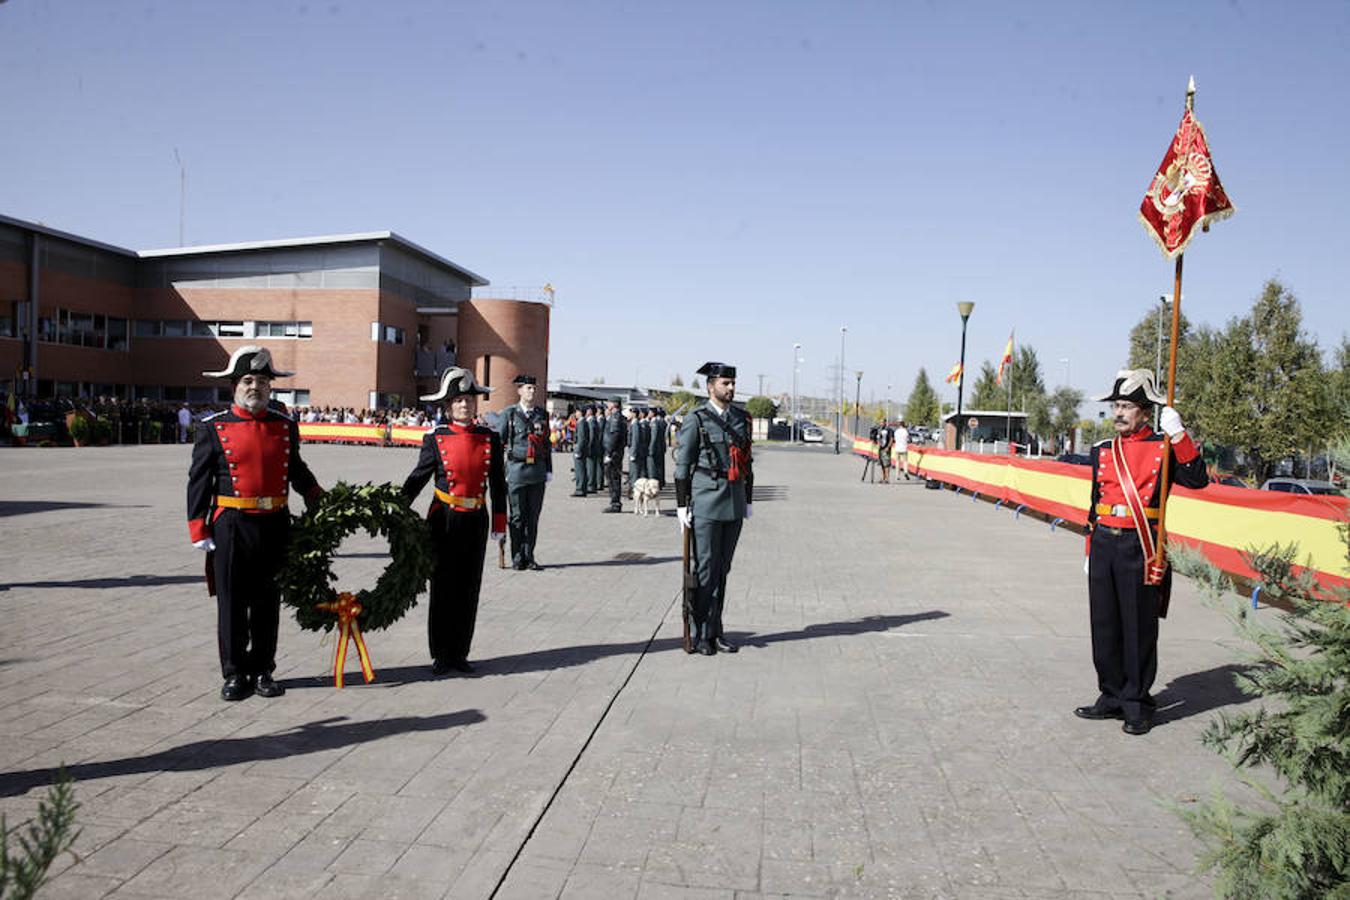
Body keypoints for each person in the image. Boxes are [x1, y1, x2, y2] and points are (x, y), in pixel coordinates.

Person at [1075, 369, 1208, 735]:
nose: (1118, 412)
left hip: (1141, 545)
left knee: (1137, 626)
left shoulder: (1163, 449)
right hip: (1104, 541)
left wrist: (1179, 433)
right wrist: (1090, 546)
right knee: (1104, 624)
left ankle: (1137, 702)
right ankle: (1111, 695)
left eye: (1127, 406)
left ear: (1145, 412)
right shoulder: (1103, 449)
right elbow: (1094, 503)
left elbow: (1198, 479)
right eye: (1116, 405)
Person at [187, 346, 324, 701]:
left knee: (267, 602)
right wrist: (198, 528)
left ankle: (263, 669)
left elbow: (296, 469)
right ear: (234, 385)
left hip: (276, 523)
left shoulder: (284, 426)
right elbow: (198, 482)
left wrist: (318, 497)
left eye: (262, 381)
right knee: (232, 603)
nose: (255, 387)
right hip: (231, 524)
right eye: (248, 380)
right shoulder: (213, 428)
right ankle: (234, 673)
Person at [401, 367, 507, 675]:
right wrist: (395, 508)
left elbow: (498, 484)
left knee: (468, 588)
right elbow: (418, 478)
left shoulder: (490, 438)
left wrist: (500, 523)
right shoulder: (435, 438)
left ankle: (460, 652)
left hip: (476, 519)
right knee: (443, 588)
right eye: (458, 400)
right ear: (448, 406)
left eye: (469, 400)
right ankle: (441, 653)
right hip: (444, 519)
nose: (464, 405)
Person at [675, 362, 754, 656]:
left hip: (733, 502)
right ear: (711, 387)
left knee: (723, 569)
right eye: (725, 384)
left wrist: (747, 500)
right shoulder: (696, 419)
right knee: (705, 570)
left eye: (733, 383)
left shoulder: (741, 418)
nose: (731, 388)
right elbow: (683, 465)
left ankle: (716, 630)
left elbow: (747, 461)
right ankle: (700, 633)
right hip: (706, 501)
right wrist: (682, 505)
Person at [499, 374, 552, 570]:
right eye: (528, 388)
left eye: (533, 388)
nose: (532, 391)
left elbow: (546, 444)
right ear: (519, 390)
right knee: (517, 516)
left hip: (537, 472)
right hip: (516, 471)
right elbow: (499, 443)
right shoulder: (509, 414)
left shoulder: (542, 415)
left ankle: (529, 556)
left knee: (533, 516)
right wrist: (498, 472)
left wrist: (548, 470)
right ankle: (517, 556)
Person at [602, 398, 628, 513]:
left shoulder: (615, 417)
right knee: (613, 477)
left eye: (609, 402)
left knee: (613, 478)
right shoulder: (618, 417)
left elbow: (614, 436)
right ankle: (615, 502)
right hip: (616, 452)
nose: (607, 404)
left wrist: (609, 453)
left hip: (613, 453)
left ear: (614, 404)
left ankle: (615, 504)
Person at [571, 401, 592, 497]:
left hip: (580, 450)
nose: (575, 414)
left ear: (580, 412)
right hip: (581, 449)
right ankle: (581, 488)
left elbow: (582, 438)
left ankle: (580, 489)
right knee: (581, 469)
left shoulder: (582, 422)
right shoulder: (582, 422)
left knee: (580, 470)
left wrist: (578, 450)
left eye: (576, 412)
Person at [629, 408, 651, 490]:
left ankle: (634, 490)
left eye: (630, 413)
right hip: (636, 451)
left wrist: (633, 453)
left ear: (634, 414)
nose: (629, 415)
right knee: (635, 471)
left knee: (634, 472)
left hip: (636, 452)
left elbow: (635, 439)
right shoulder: (635, 423)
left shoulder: (635, 424)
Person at [649, 407, 668, 488]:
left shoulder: (655, 422)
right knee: (660, 466)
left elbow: (654, 437)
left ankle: (657, 483)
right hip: (661, 446)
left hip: (656, 447)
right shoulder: (663, 422)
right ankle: (661, 482)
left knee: (654, 467)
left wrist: (651, 448)